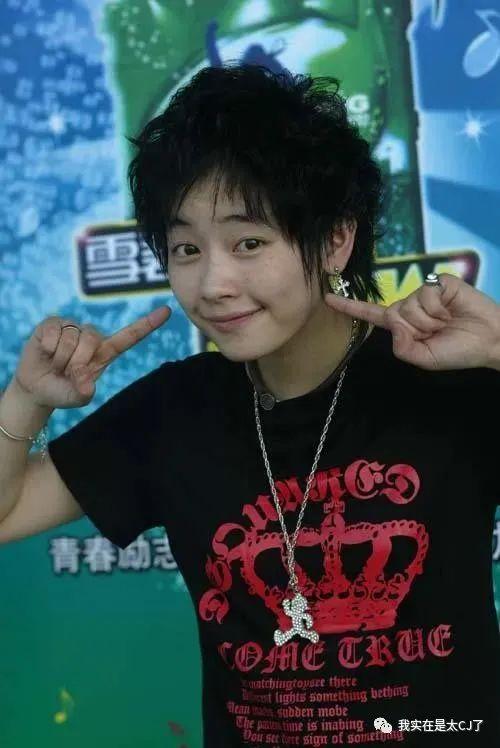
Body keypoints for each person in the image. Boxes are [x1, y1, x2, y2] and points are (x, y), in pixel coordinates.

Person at [0, 64, 500, 747]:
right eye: (186, 248)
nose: (213, 283)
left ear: (335, 239)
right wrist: (27, 399)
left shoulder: (449, 384)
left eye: (250, 243)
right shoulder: (174, 411)